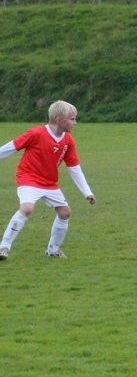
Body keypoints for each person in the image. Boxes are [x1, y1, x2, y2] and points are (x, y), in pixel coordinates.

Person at [0, 101, 96, 261]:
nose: (75, 123)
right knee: (27, 208)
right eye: (72, 119)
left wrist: (87, 192)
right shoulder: (36, 133)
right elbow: (11, 147)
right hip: (28, 178)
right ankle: (4, 247)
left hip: (49, 183)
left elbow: (74, 167)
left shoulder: (68, 140)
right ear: (59, 120)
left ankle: (53, 250)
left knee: (65, 212)